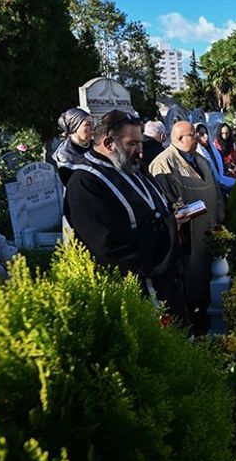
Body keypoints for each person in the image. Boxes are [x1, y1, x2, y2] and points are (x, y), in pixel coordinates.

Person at [63, 110, 188, 324]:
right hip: (137, 293)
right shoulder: (85, 182)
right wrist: (167, 228)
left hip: (166, 281)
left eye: (140, 143)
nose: (140, 153)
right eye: (132, 144)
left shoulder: (131, 167)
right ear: (109, 143)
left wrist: (173, 220)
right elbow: (108, 247)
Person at [150, 121, 224, 335]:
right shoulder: (164, 163)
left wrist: (219, 205)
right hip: (188, 234)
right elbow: (168, 200)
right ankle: (194, 320)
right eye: (194, 135)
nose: (200, 138)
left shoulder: (200, 158)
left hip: (209, 228)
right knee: (191, 278)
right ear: (180, 138)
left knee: (209, 272)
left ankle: (207, 309)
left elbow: (215, 187)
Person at [52, 107, 93, 185]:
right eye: (88, 124)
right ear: (75, 127)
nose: (92, 128)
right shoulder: (64, 155)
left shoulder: (95, 145)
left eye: (92, 124)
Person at [194, 123, 236, 192]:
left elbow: (222, 169)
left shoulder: (215, 151)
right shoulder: (195, 156)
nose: (206, 136)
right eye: (201, 134)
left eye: (206, 133)